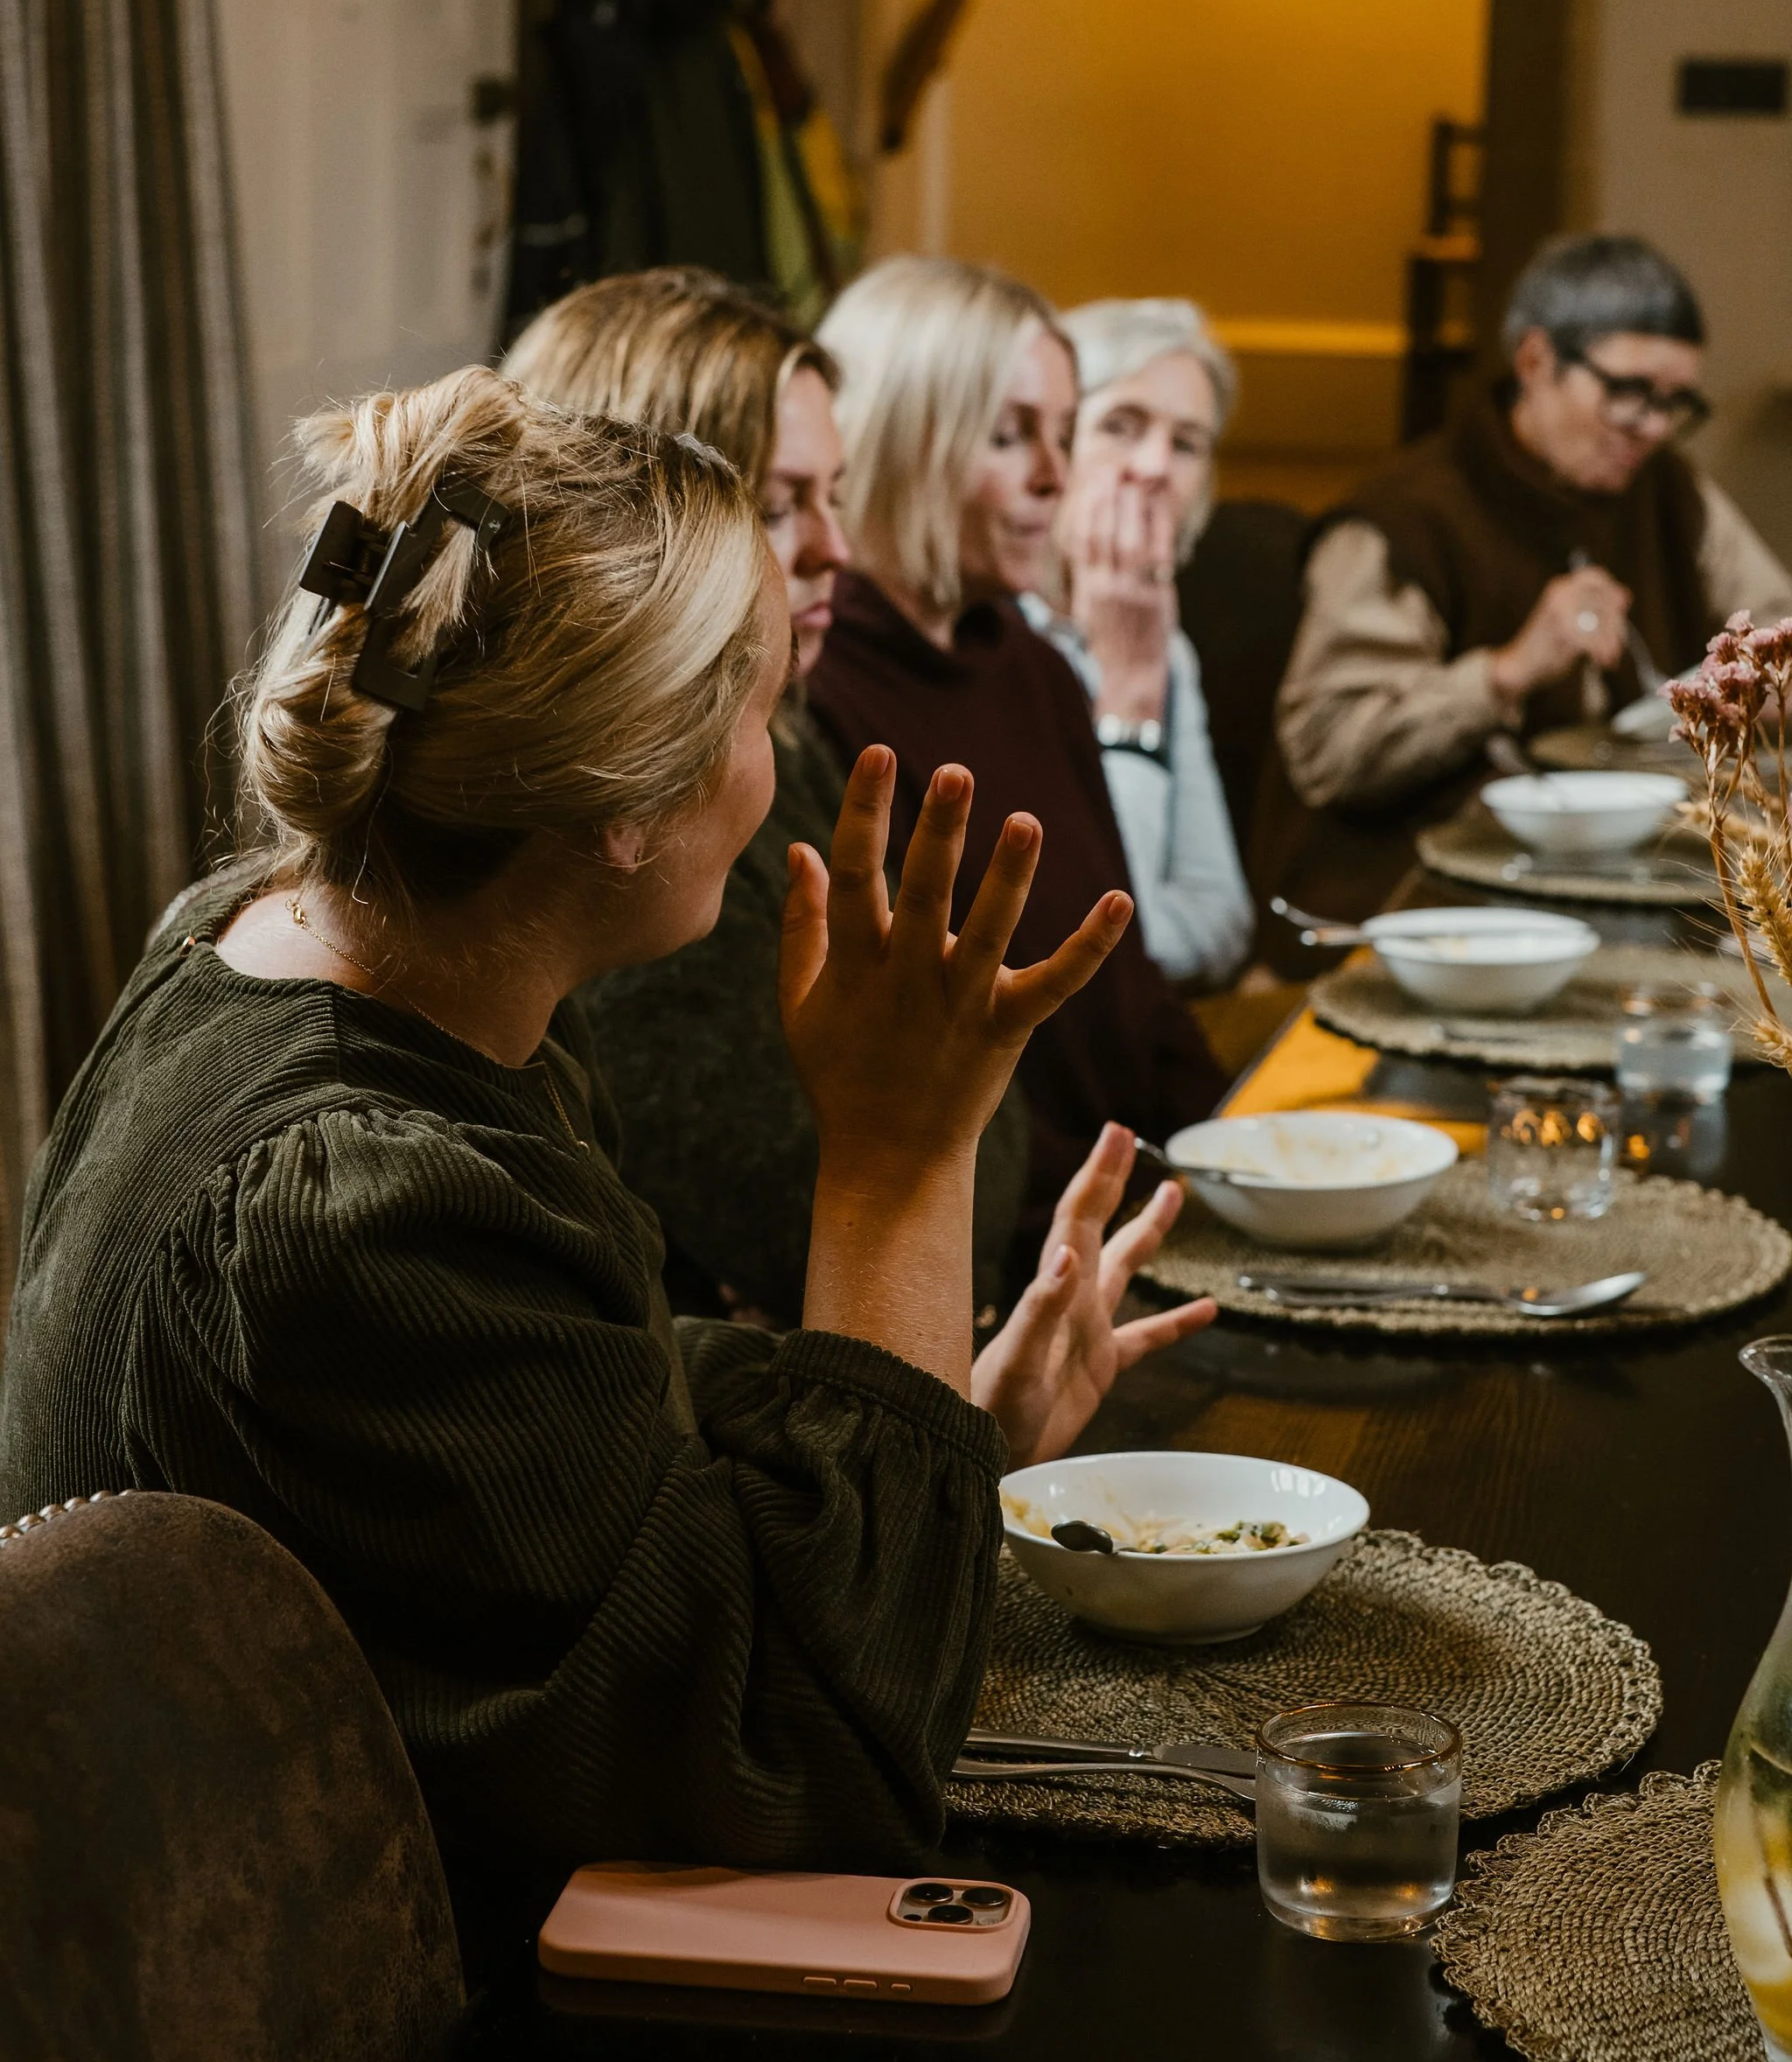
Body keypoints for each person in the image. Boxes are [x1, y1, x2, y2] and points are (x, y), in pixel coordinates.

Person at [0, 370, 1214, 1879]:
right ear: (624, 806)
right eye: (767, 709)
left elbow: (602, 1398)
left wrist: (946, 1424)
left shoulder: (260, 943)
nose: (784, 775)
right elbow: (827, 1763)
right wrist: (900, 1161)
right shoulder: (352, 1207)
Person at [504, 267, 1028, 1326]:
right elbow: (839, 1210)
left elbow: (990, 1148)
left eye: (832, 496)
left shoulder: (790, 739)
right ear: (644, 521)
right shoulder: (636, 842)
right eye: (781, 505)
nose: (833, 548)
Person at [809, 257, 1226, 1250]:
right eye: (1009, 437)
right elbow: (912, 1085)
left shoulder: (1026, 660)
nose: (1053, 474)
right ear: (900, 443)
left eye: (1062, 432)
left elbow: (1127, 980)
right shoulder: (824, 693)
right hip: (1002, 1237)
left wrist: (1227, 1151)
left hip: (1133, 1195)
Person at [1261, 233, 1792, 930]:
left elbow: (1776, 618)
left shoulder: (1667, 488)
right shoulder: (1405, 517)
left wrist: (1767, 682)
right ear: (1536, 361)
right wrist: (1509, 671)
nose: (1652, 428)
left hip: (1635, 873)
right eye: (1629, 393)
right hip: (1425, 890)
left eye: (1674, 404)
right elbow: (1327, 750)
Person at [1024, 296, 1252, 989]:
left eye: (1186, 444)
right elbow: (1088, 942)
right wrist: (1126, 694)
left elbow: (1224, 920)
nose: (1154, 466)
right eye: (1122, 426)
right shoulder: (1005, 642)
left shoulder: (1161, 641)